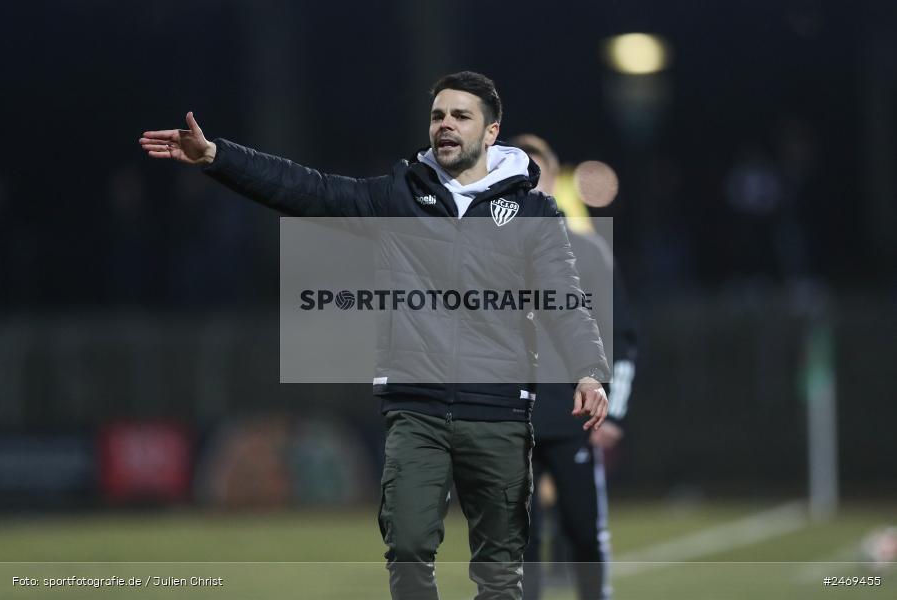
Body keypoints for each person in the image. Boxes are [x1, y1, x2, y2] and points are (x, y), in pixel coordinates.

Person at [140, 71, 611, 600]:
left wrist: (590, 370)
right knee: (408, 551)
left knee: (501, 574)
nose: (446, 126)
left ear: (491, 131)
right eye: (438, 115)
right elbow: (310, 191)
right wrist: (217, 159)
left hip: (498, 410)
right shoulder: (399, 196)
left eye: (461, 116)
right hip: (416, 409)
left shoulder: (531, 210)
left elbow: (564, 300)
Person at [509, 135, 638, 600]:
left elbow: (621, 340)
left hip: (573, 420)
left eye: (535, 172)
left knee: (584, 534)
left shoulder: (586, 253)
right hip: (508, 422)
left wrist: (614, 413)